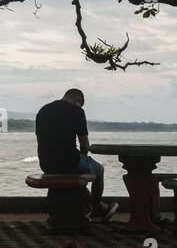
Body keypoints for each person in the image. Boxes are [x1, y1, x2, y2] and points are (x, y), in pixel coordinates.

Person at [35, 88, 118, 222]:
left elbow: (41, 140)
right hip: (70, 162)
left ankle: (98, 206)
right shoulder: (77, 111)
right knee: (99, 170)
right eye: (80, 104)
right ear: (77, 100)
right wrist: (83, 157)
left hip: (46, 164)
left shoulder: (43, 110)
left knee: (76, 176)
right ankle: (97, 207)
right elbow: (84, 145)